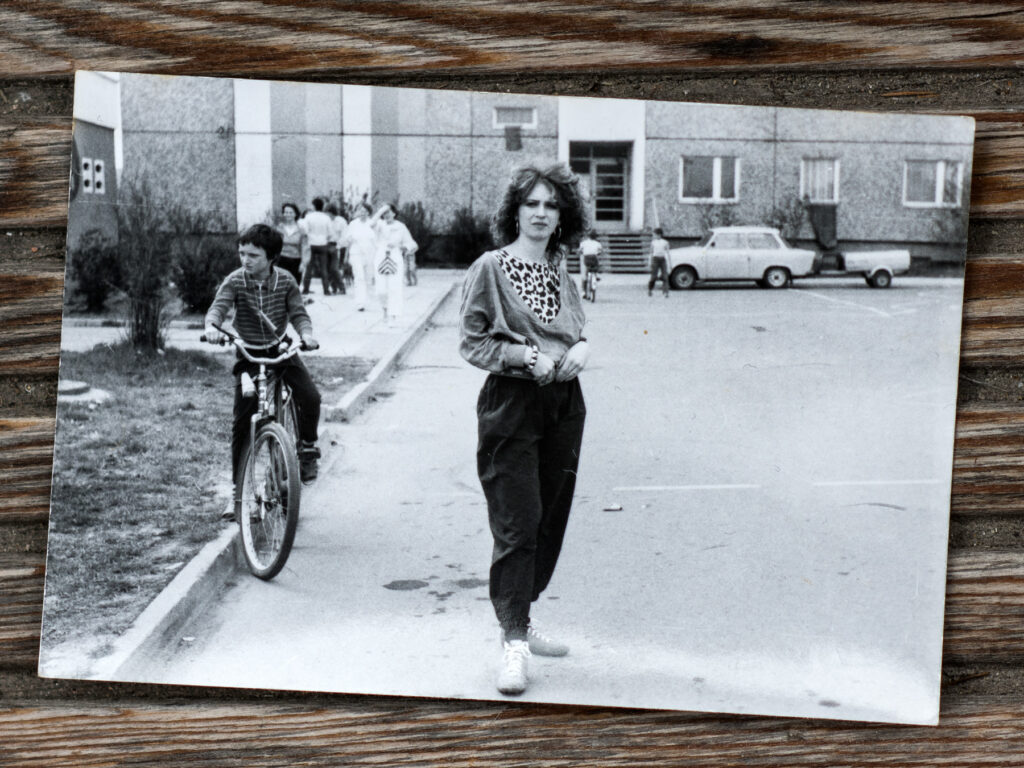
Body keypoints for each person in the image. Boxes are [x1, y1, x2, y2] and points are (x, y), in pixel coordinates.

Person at [459, 162, 590, 696]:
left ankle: (521, 618)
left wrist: (582, 347)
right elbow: (472, 342)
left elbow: (577, 331)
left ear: (563, 217)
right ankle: (512, 643)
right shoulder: (490, 267)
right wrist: (520, 356)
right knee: (518, 522)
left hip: (564, 404)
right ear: (515, 210)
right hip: (511, 404)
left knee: (547, 520)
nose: (540, 213)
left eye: (550, 205)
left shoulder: (561, 268)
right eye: (531, 203)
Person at [204, 224, 323, 494]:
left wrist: (306, 335)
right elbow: (219, 307)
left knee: (310, 396)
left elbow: (299, 313)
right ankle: (239, 488)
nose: (245, 260)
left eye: (253, 255)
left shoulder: (286, 281)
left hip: (279, 349)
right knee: (242, 420)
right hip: (248, 353)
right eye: (242, 253)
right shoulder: (236, 280)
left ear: (271, 258)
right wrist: (211, 327)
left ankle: (306, 448)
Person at [374, 203, 417, 324]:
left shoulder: (401, 226)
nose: (387, 215)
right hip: (381, 256)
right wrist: (380, 210)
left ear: (394, 213)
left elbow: (411, 243)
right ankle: (385, 309)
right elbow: (371, 224)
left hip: (395, 256)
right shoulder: (379, 225)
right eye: (384, 213)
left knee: (395, 287)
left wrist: (401, 246)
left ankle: (393, 315)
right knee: (381, 289)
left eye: (389, 212)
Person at [342, 200, 380, 312]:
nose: (362, 213)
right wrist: (346, 254)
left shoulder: (373, 223)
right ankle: (360, 302)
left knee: (368, 278)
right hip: (356, 253)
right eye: (360, 210)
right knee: (359, 277)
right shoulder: (353, 224)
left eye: (365, 211)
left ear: (369, 212)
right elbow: (347, 240)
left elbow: (377, 240)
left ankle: (366, 299)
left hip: (370, 253)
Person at [299, 197, 336, 296]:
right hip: (322, 243)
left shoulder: (309, 217)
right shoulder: (326, 218)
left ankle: (306, 289)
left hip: (311, 243)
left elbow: (305, 231)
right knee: (323, 268)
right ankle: (326, 290)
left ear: (314, 206)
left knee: (309, 268)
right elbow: (331, 233)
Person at [275, 203, 304, 283]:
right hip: (282, 259)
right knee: (281, 284)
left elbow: (305, 247)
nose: (288, 214)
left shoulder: (301, 230)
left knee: (294, 284)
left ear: (295, 214)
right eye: (286, 212)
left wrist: (303, 263)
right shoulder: (279, 228)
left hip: (296, 260)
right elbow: (275, 245)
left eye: (291, 212)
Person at [325, 203, 348, 296]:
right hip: (326, 245)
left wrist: (339, 246)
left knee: (334, 268)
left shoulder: (341, 221)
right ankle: (333, 288)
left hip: (337, 246)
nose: (328, 215)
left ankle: (342, 287)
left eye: (329, 213)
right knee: (327, 268)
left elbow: (344, 235)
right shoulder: (325, 221)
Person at [578, 229, 602, 300]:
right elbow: (600, 251)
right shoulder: (597, 243)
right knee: (596, 264)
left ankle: (584, 292)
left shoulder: (584, 243)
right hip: (594, 258)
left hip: (586, 258)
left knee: (585, 274)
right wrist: (598, 253)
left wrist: (580, 252)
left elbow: (580, 250)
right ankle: (596, 274)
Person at [648, 227, 672, 297]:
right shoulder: (653, 243)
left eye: (655, 234)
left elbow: (668, 253)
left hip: (662, 259)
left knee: (665, 276)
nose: (654, 236)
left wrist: (670, 263)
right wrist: (649, 262)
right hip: (655, 259)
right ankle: (650, 289)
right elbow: (651, 253)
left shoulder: (665, 242)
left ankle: (666, 292)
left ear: (659, 235)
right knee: (654, 276)